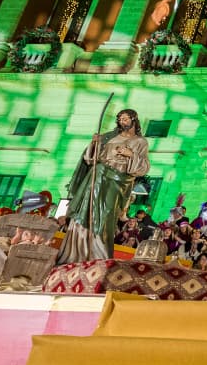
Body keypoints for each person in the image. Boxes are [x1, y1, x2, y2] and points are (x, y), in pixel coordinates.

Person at [61, 108, 150, 263]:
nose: (123, 122)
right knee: (86, 210)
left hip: (117, 181)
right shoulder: (110, 137)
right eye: (120, 119)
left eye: (126, 119)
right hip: (97, 176)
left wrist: (131, 155)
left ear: (134, 120)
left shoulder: (140, 142)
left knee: (106, 214)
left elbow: (144, 167)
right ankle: (77, 253)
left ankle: (99, 254)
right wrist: (95, 143)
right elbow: (91, 159)